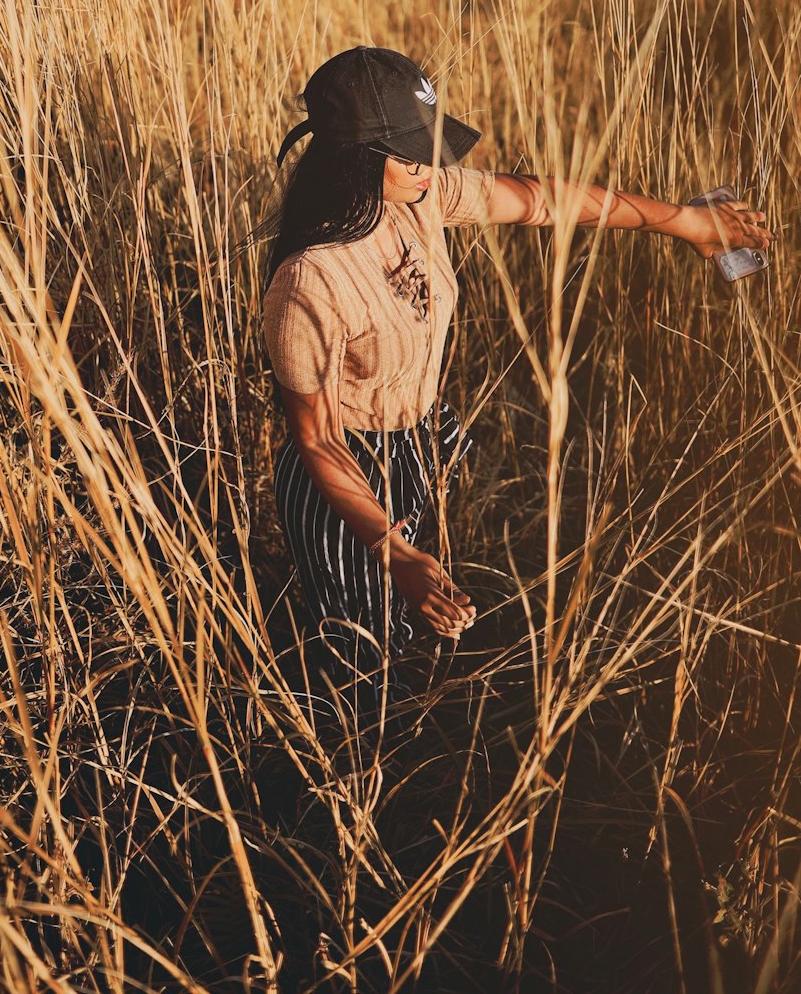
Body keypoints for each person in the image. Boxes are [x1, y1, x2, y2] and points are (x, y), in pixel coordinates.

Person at [262, 46, 775, 723]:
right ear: (354, 158)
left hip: (420, 439)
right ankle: (350, 769)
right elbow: (320, 440)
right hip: (347, 480)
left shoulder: (419, 196)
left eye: (429, 148)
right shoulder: (310, 280)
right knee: (363, 654)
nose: (430, 168)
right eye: (409, 155)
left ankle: (410, 720)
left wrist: (681, 221)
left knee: (425, 627)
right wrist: (394, 549)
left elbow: (542, 202)